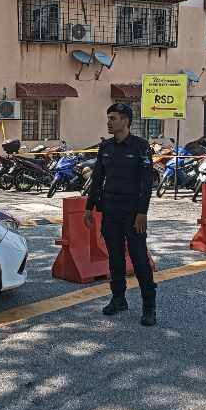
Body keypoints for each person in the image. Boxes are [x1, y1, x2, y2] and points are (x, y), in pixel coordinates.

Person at [84, 103, 157, 326]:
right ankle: (118, 299)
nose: (109, 122)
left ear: (125, 121)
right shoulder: (105, 147)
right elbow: (97, 179)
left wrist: (142, 212)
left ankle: (149, 307)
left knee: (138, 258)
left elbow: (147, 183)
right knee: (115, 257)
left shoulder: (140, 147)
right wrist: (89, 207)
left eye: (113, 118)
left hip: (132, 212)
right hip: (111, 210)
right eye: (108, 118)